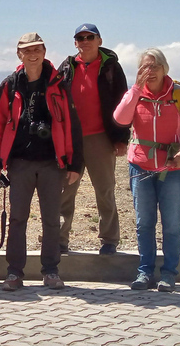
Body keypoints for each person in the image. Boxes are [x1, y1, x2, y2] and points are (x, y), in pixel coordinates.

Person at [0, 33, 83, 291]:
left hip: (52, 162)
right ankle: (14, 272)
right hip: (20, 162)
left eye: (37, 49)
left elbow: (72, 124)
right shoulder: (10, 85)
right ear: (19, 54)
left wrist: (75, 164)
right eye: (27, 50)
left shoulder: (59, 82)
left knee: (51, 218)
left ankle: (51, 271)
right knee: (18, 218)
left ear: (44, 51)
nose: (32, 54)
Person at [113, 48, 180, 292]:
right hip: (140, 167)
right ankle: (145, 272)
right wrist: (134, 89)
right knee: (144, 222)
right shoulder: (136, 94)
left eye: (154, 66)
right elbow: (120, 119)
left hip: (172, 169)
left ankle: (169, 273)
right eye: (144, 67)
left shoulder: (178, 94)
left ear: (165, 68)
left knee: (172, 223)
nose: (149, 72)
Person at [58, 24, 129, 255]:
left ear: (99, 40)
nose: (85, 41)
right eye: (80, 37)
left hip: (101, 138)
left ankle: (109, 240)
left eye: (90, 37)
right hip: (71, 139)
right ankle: (59, 240)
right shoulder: (67, 67)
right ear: (75, 42)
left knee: (105, 190)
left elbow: (123, 102)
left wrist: (121, 138)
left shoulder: (111, 67)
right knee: (64, 191)